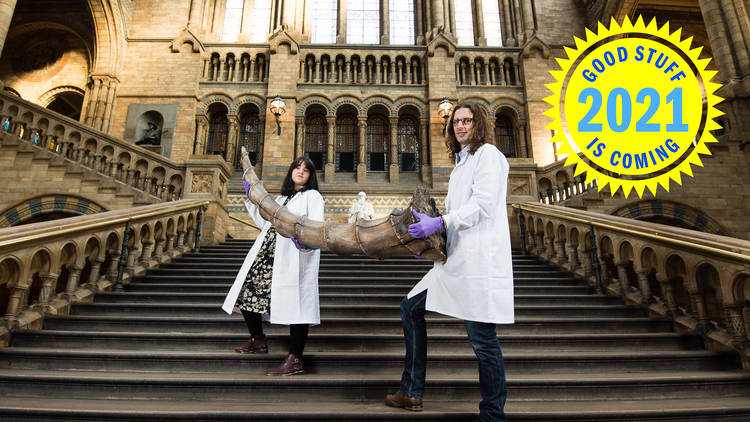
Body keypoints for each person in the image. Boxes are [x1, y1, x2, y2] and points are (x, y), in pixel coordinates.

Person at [384, 101, 514, 421]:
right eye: (455, 122)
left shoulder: (489, 156)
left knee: (482, 340)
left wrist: (439, 222)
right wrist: (432, 233)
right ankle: (412, 390)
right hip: (454, 261)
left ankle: (493, 414)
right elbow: (458, 212)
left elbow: (482, 206)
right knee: (410, 307)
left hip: (479, 262)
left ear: (479, 123)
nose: (459, 126)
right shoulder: (461, 163)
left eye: (467, 120)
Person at [221, 156, 324, 376]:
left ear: (310, 175)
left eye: (306, 169)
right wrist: (251, 198)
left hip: (294, 255)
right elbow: (264, 222)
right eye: (297, 166)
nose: (301, 171)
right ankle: (257, 339)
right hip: (268, 254)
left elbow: (317, 226)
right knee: (247, 292)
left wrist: (304, 242)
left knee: (299, 307)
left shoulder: (312, 196)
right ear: (291, 171)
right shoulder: (281, 198)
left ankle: (295, 358)